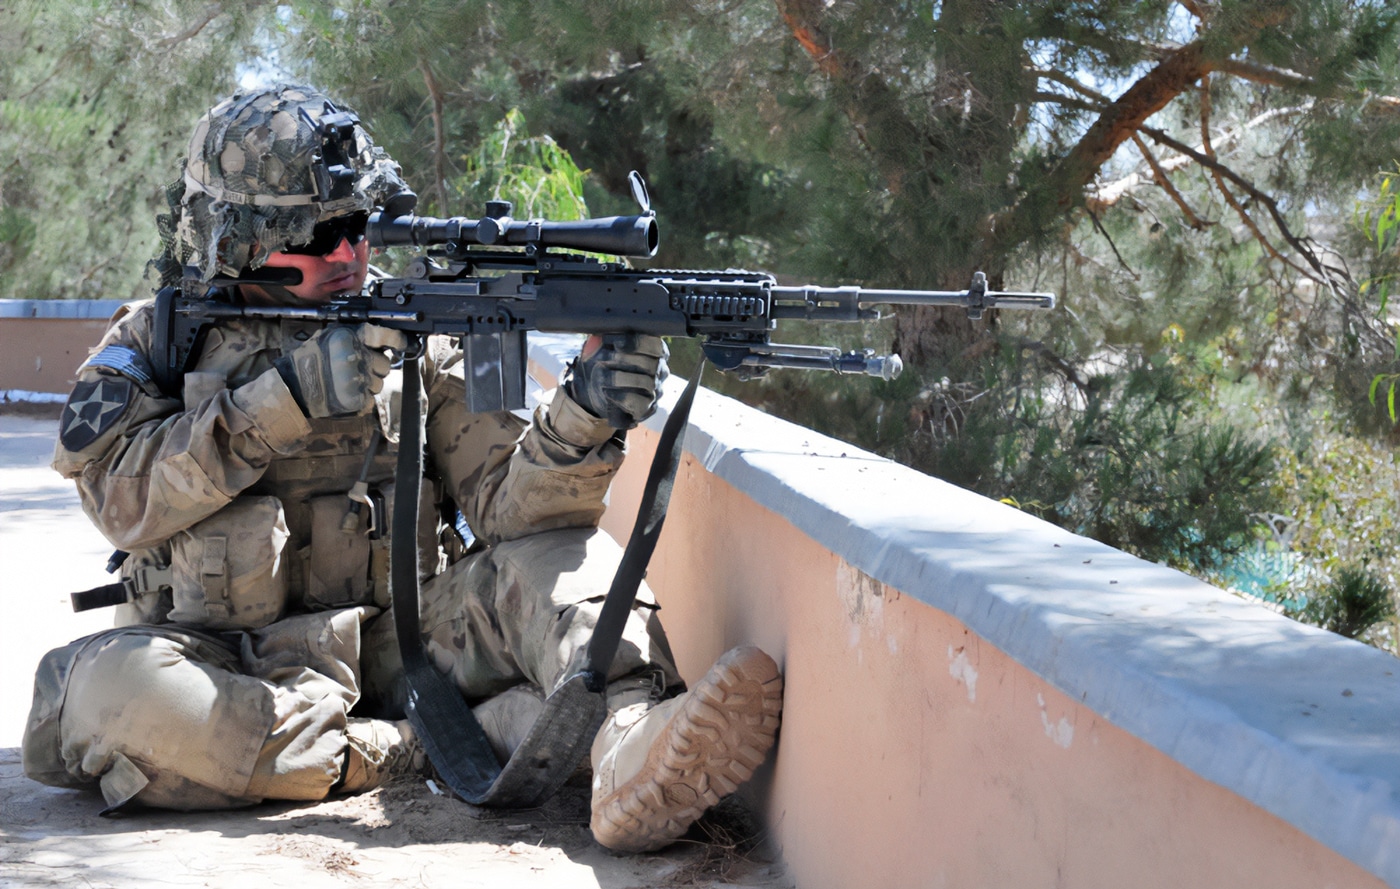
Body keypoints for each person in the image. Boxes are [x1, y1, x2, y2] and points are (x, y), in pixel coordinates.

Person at [22, 83, 782, 854]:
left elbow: (513, 512)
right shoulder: (157, 339)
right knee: (110, 696)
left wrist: (581, 417)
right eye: (318, 238)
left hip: (409, 642)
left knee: (566, 557)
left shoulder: (411, 328)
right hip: (221, 657)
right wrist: (285, 398)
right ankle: (438, 744)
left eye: (359, 227)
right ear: (241, 239)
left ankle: (628, 740)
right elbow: (120, 502)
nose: (351, 254)